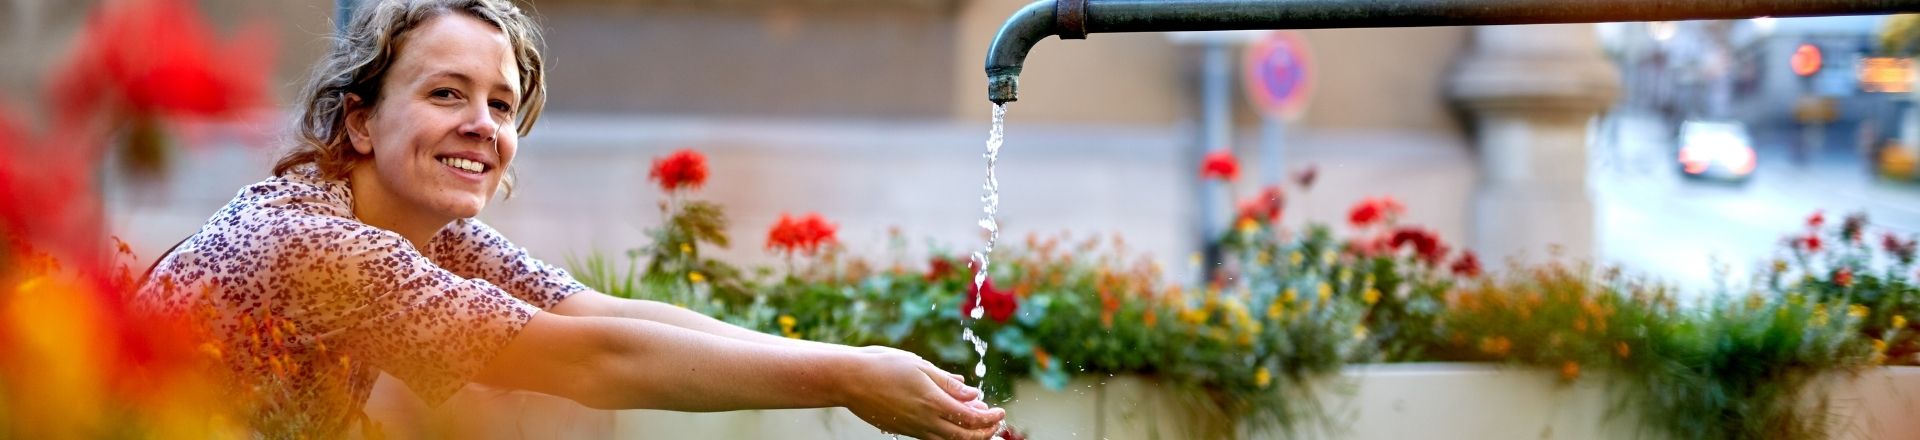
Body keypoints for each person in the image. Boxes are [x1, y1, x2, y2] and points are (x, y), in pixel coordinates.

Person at [132, 1, 1004, 438]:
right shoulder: (318, 244)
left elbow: (597, 315)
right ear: (359, 119)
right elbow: (593, 363)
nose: (484, 125)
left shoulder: (423, 230)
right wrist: (845, 382)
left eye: (502, 104)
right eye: (447, 94)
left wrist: (848, 360)